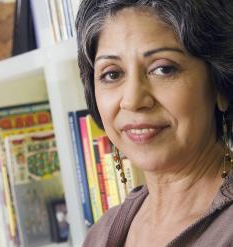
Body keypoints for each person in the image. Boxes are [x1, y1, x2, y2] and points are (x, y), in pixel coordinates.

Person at [75, 0, 233, 246]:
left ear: (220, 86)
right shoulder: (99, 236)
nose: (133, 100)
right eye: (112, 74)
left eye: (163, 69)